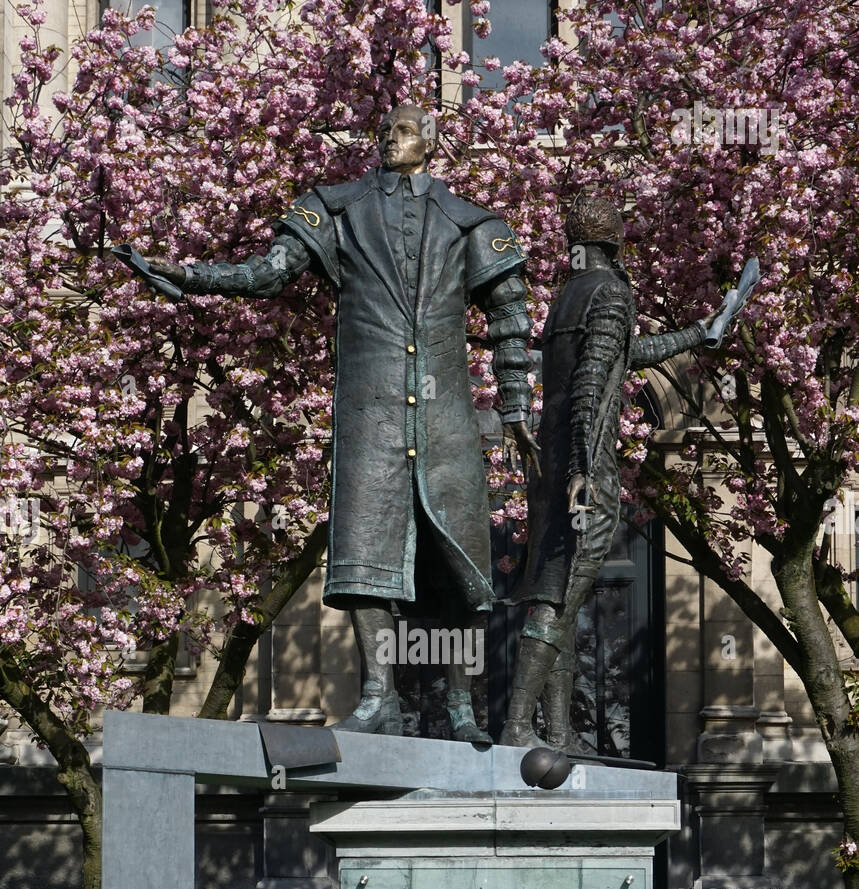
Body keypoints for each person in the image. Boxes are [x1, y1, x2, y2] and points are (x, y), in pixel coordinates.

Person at [140, 105, 538, 742]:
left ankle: (461, 710)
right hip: (371, 409)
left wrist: (516, 408)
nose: (389, 136)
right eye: (385, 129)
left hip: (447, 417)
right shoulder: (337, 208)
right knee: (366, 552)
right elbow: (269, 272)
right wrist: (190, 277)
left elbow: (510, 320)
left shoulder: (473, 223)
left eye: (404, 129)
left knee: (455, 562)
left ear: (431, 143)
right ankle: (378, 696)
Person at [500, 191, 725, 751]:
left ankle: (556, 731)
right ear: (614, 242)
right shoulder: (612, 292)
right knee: (559, 599)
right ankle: (518, 727)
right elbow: (594, 383)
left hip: (552, 469)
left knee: (560, 594)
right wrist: (584, 466)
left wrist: (700, 332)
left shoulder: (566, 298)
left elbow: (623, 352)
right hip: (585, 468)